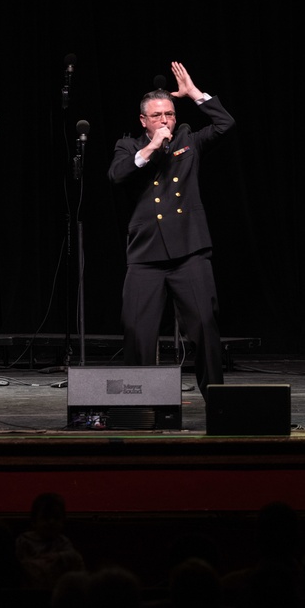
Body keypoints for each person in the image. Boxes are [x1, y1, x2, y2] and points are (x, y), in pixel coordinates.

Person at [107, 61, 235, 402]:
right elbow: (117, 175)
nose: (165, 120)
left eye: (170, 114)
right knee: (138, 332)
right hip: (146, 255)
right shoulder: (129, 146)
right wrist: (151, 149)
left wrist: (195, 94)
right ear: (144, 121)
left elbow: (225, 125)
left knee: (205, 328)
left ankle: (217, 401)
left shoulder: (189, 140)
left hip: (189, 251)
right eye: (158, 115)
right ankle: (140, 402)